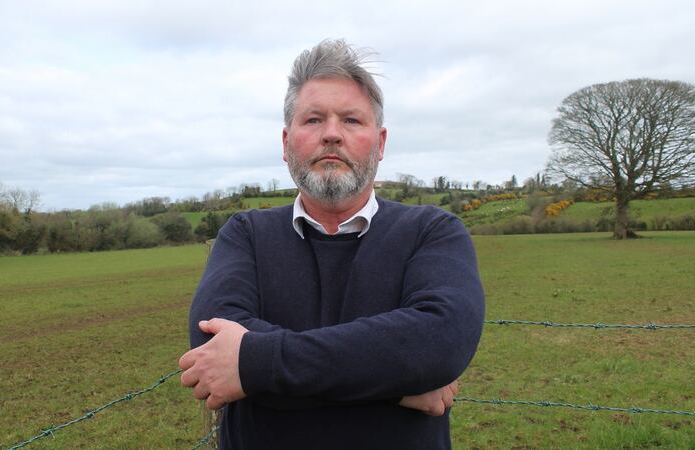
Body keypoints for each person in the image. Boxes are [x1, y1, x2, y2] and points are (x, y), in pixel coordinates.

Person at [179, 39, 485, 449]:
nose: (332, 135)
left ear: (380, 142)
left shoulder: (432, 230)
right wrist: (397, 384)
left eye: (352, 121)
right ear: (286, 143)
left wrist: (254, 364)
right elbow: (213, 350)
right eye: (313, 120)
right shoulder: (245, 234)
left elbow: (440, 343)